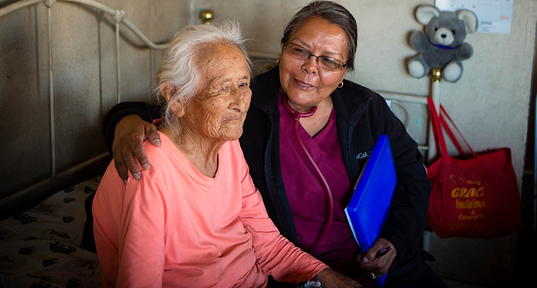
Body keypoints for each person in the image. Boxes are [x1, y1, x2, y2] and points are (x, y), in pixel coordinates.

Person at [103, 1, 447, 288]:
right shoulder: (244, 110)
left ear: (344, 73)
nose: (310, 68)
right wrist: (124, 121)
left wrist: (396, 242)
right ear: (282, 51)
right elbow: (175, 111)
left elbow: (412, 176)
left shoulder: (367, 110)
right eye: (300, 51)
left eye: (329, 61)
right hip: (294, 269)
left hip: (376, 259)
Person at [92, 22, 361, 288]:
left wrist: (328, 277)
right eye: (222, 87)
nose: (240, 101)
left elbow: (267, 243)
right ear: (178, 97)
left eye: (243, 84)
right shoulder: (150, 169)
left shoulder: (226, 143)